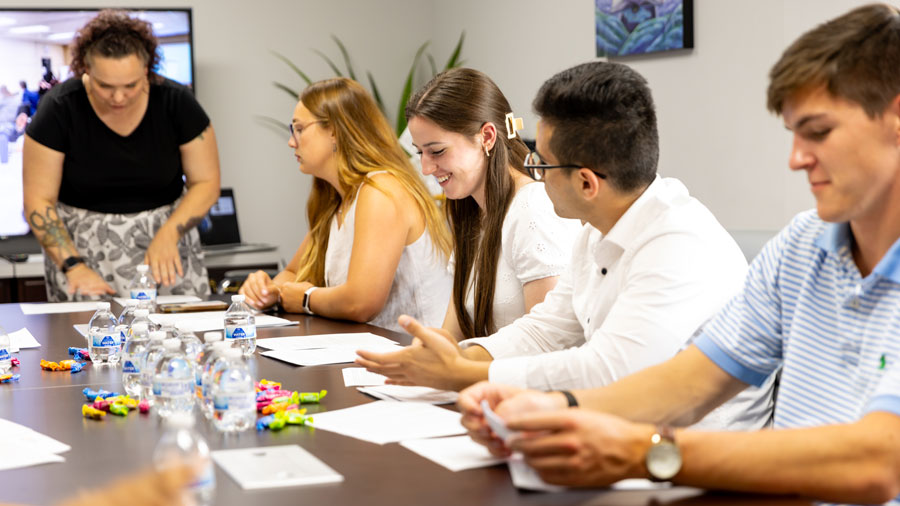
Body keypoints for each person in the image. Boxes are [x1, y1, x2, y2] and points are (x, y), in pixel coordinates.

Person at [457, 4, 900, 503]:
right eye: (793, 134)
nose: (796, 158)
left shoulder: (683, 239)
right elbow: (690, 382)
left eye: (818, 132)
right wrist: (554, 409)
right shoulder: (801, 245)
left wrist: (644, 453)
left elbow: (878, 462)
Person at [358, 63, 771, 433]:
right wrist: (458, 360)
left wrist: (464, 374)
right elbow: (546, 330)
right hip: (625, 432)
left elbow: (609, 370)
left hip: (698, 455)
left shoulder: (678, 243)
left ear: (587, 182)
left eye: (542, 163)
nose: (534, 173)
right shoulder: (597, 228)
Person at [23, 10, 220, 301]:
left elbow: (206, 182)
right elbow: (38, 200)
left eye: (131, 85)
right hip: (81, 251)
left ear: (147, 70)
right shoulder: (59, 108)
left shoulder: (177, 102)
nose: (118, 98)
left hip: (166, 244)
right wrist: (74, 266)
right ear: (85, 69)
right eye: (105, 86)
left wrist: (169, 234)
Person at [238, 77, 452, 333]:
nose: (292, 141)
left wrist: (305, 298)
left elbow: (361, 303)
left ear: (335, 132)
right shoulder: (337, 201)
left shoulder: (381, 190)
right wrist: (267, 290)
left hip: (417, 351)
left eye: (299, 129)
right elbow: (293, 274)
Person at [404, 68, 583, 342]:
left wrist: (460, 360)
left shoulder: (533, 208)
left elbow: (548, 344)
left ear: (487, 137)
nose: (426, 168)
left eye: (437, 151)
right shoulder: (471, 211)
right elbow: (452, 335)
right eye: (420, 152)